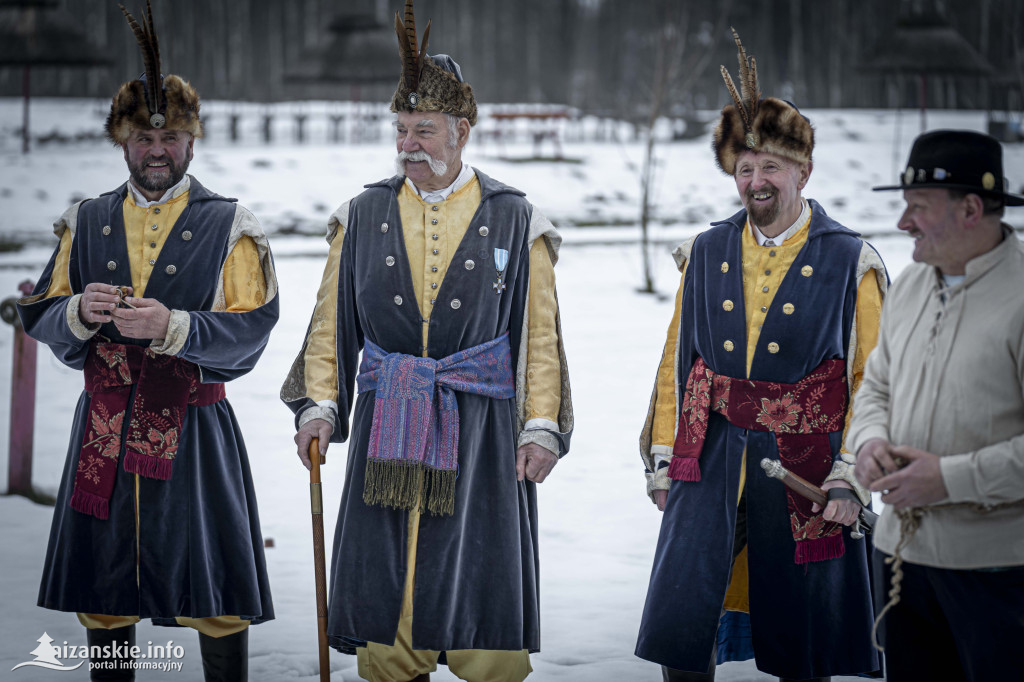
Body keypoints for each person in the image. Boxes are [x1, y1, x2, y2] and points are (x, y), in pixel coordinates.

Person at [280, 2, 573, 681]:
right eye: (402, 130)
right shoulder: (361, 214)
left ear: (461, 132)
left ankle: (482, 659)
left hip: (483, 431)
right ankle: (394, 659)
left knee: (480, 586)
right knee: (391, 599)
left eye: (425, 130)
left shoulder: (516, 217)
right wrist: (319, 407)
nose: (409, 143)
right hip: (388, 421)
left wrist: (542, 427)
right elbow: (329, 329)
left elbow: (540, 339)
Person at [18, 4, 277, 680]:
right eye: (141, 140)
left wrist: (174, 328)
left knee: (213, 595)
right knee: (105, 598)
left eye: (170, 139)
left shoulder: (232, 226)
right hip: (102, 422)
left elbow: (254, 329)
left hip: (194, 429)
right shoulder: (86, 219)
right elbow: (38, 312)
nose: (156, 151)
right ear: (121, 143)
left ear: (191, 143)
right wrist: (75, 310)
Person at [634, 31, 885, 681]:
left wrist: (853, 476)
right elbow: (677, 362)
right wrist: (664, 454)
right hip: (710, 457)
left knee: (804, 641)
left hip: (810, 468)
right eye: (744, 168)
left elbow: (873, 379)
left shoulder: (849, 257)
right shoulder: (707, 250)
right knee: (685, 626)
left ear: (804, 171)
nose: (755, 180)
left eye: (771, 166)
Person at [850, 129, 1024, 681]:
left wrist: (950, 479)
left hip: (998, 572)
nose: (903, 223)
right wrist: (869, 441)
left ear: (972, 208)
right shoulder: (911, 285)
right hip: (900, 559)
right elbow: (875, 387)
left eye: (918, 207)